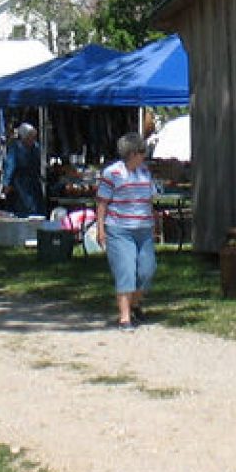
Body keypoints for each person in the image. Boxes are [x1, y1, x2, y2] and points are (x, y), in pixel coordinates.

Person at [95, 133, 158, 331]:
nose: (144, 156)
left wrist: (153, 224)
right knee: (126, 271)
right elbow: (102, 202)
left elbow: (150, 199)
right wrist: (100, 229)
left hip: (144, 229)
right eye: (141, 152)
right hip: (119, 229)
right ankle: (125, 317)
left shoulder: (144, 172)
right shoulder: (112, 173)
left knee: (147, 270)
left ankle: (135, 303)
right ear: (132, 153)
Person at [0, 122, 45, 215]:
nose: (33, 139)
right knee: (23, 209)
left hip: (34, 183)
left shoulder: (36, 148)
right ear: (24, 137)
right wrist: (6, 184)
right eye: (30, 136)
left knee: (36, 208)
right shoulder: (15, 148)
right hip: (20, 184)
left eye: (34, 136)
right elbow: (10, 166)